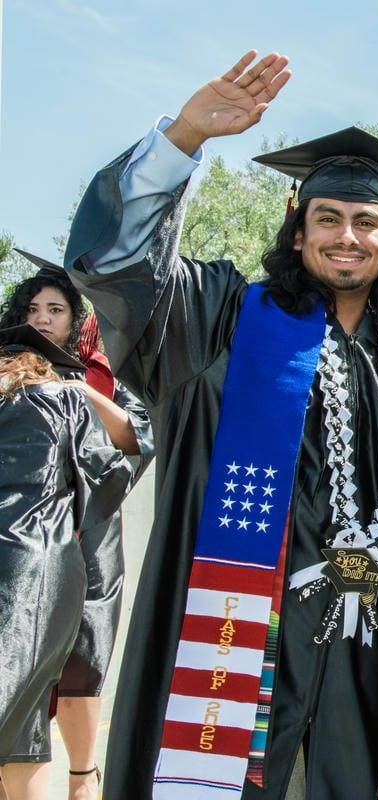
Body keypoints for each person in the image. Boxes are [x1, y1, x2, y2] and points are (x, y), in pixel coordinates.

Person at [63, 51, 378, 799]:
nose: (347, 237)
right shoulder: (223, 320)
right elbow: (120, 269)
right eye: (328, 219)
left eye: (366, 222)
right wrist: (185, 136)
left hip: (364, 655)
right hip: (242, 644)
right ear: (298, 231)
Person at [0, 251, 154, 800]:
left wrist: (76, 386)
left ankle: (83, 775)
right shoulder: (11, 370)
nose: (42, 318)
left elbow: (136, 442)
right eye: (33, 308)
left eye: (55, 309)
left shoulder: (104, 372)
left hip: (88, 530)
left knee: (83, 659)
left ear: (77, 319)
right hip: (30, 532)